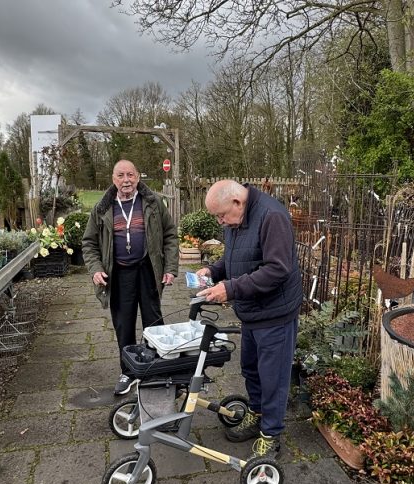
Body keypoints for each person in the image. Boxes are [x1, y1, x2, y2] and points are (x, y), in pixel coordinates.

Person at [195, 179, 302, 460]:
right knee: (251, 370)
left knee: (273, 378)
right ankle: (257, 414)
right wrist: (213, 271)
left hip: (275, 314)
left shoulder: (272, 217)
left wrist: (230, 288)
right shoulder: (237, 219)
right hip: (253, 312)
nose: (220, 222)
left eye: (221, 215)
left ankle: (271, 434)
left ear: (237, 202)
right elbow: (236, 257)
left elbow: (276, 270)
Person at [82, 160, 179, 395]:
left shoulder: (153, 202)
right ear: (113, 179)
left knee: (153, 323)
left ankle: (157, 369)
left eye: (130, 175)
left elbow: (170, 235)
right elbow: (89, 242)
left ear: (138, 176)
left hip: (147, 270)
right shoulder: (102, 208)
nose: (126, 180)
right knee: (123, 325)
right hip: (119, 274)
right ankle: (128, 372)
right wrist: (95, 269)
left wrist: (170, 268)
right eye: (121, 175)